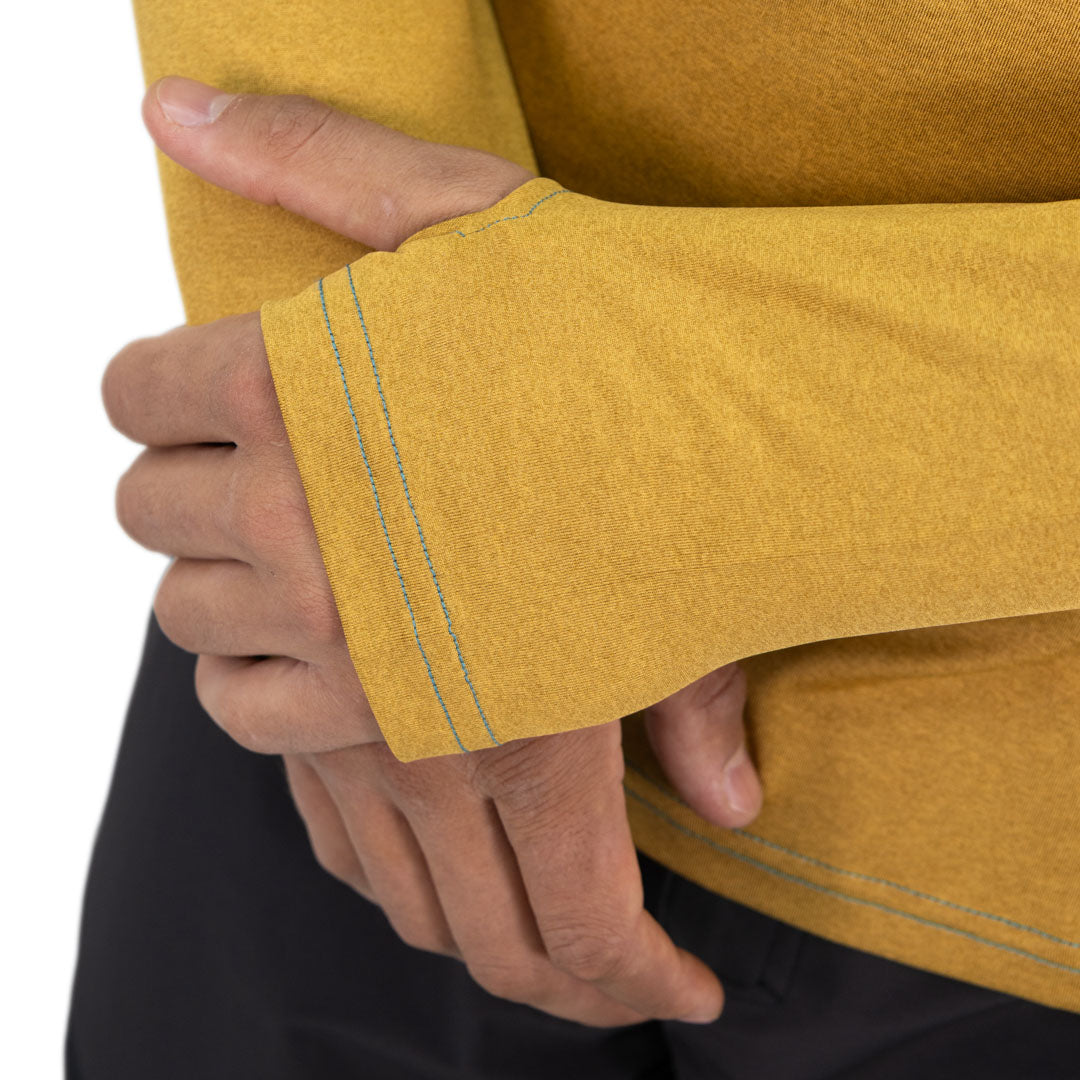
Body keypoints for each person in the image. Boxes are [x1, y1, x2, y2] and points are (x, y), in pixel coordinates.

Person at [68, 3, 1080, 1077]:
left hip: (1012, 892)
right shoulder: (363, 457)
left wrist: (614, 448)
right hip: (348, 609)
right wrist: (339, 359)